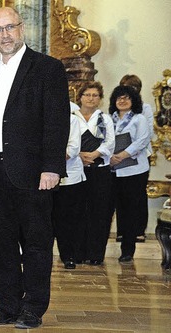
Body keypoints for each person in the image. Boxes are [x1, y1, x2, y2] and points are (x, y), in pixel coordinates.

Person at [0, 7, 70, 329]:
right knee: (1, 242)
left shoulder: (47, 68)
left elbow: (57, 121)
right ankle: (7, 304)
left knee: (36, 242)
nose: (5, 34)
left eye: (10, 27)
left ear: (22, 29)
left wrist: (52, 167)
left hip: (33, 172)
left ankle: (33, 308)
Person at [73, 81, 115, 265]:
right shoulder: (72, 117)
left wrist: (95, 154)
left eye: (95, 95)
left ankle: (96, 254)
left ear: (100, 99)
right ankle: (78, 253)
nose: (91, 98)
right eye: (87, 95)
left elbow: (110, 143)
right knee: (78, 212)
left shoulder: (105, 119)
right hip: (77, 171)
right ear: (80, 97)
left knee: (100, 214)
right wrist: (79, 155)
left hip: (100, 171)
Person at [108, 85, 151, 264]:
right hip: (113, 170)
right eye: (119, 98)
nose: (122, 101)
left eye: (126, 98)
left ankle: (128, 250)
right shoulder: (109, 119)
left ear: (133, 101)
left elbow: (143, 140)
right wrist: (110, 156)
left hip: (135, 171)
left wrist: (122, 155)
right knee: (117, 209)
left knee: (131, 210)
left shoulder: (139, 119)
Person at [119, 74, 153, 242]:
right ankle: (122, 230)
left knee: (137, 196)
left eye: (132, 89)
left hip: (139, 156)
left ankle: (138, 230)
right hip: (118, 160)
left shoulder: (144, 108)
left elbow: (147, 135)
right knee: (120, 197)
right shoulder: (116, 109)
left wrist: (128, 150)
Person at [52, 113, 85, 269]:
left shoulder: (71, 118)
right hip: (37, 177)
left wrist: (50, 160)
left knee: (66, 219)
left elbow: (73, 148)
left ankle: (68, 256)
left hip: (68, 176)